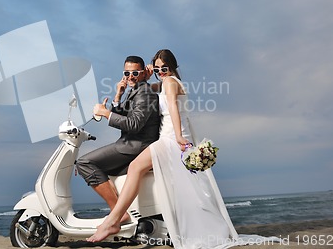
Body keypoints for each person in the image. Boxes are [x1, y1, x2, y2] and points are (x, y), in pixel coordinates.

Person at [87, 49, 238, 248]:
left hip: (169, 138)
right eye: (157, 69)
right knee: (182, 187)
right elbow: (147, 89)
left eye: (164, 68)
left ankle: (113, 221)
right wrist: (142, 79)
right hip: (169, 136)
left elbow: (173, 108)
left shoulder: (169, 82)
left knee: (135, 168)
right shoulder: (170, 82)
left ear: (173, 67)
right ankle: (117, 218)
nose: (161, 72)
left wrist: (177, 136)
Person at [76, 55, 160, 223]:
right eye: (126, 73)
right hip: (129, 144)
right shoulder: (135, 90)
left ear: (144, 73)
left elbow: (134, 124)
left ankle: (118, 213)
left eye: (135, 73)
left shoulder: (145, 94)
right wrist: (117, 96)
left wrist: (106, 113)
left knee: (84, 163)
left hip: (135, 146)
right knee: (93, 166)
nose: (130, 77)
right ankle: (124, 210)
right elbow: (125, 114)